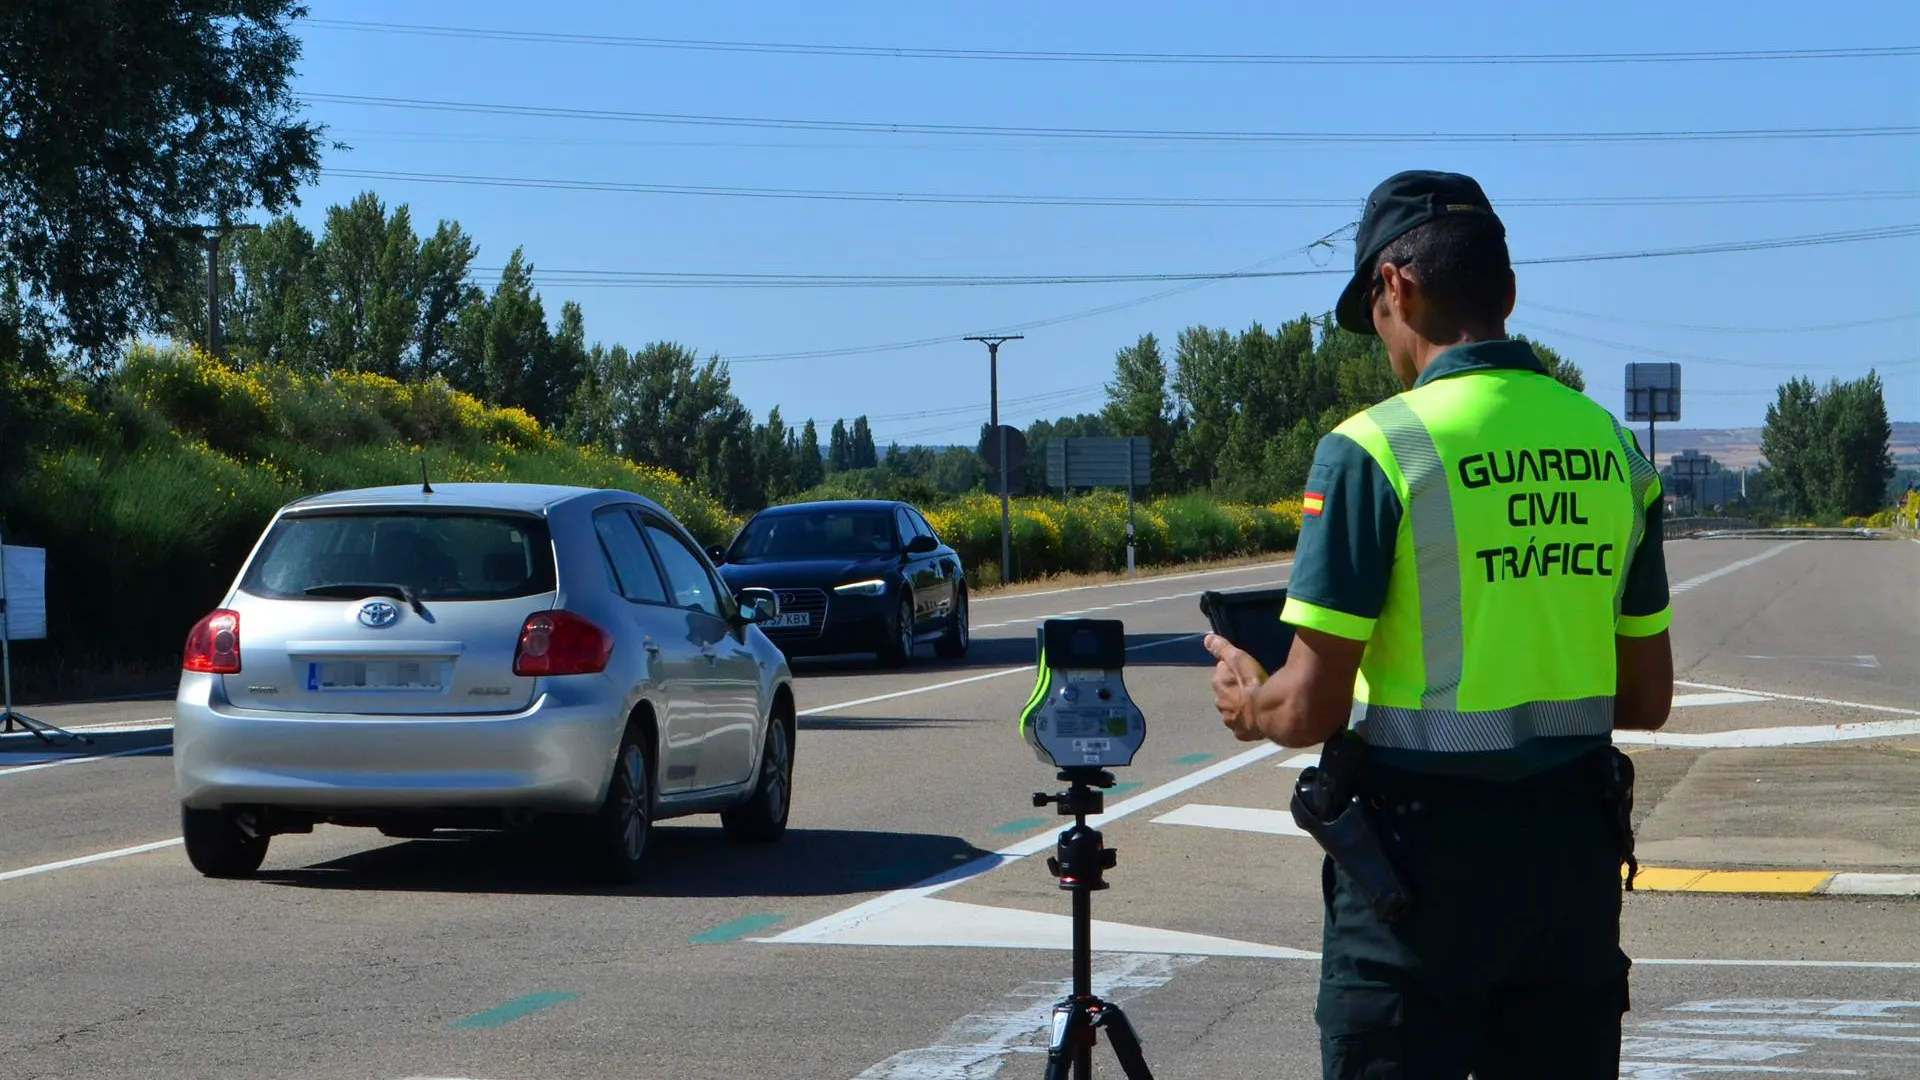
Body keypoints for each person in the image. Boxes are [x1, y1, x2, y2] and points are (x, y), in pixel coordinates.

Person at [1204, 170, 1675, 1079]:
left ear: (1395, 287)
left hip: (1413, 883)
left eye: (1376, 316)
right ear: (1506, 290)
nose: (1382, 342)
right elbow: (1647, 699)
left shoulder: (1374, 449)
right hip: (1570, 873)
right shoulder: (1614, 449)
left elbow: (1307, 709)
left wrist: (1249, 700)